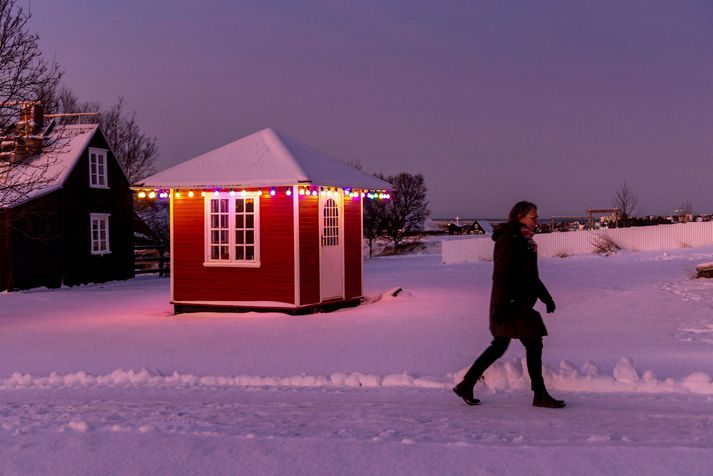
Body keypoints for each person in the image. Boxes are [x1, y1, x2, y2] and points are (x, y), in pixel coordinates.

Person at [453, 201, 566, 408]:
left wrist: (546, 297)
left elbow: (531, 276)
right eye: (533, 217)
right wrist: (501, 307)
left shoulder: (524, 241)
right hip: (510, 304)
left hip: (518, 303)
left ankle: (466, 385)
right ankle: (539, 394)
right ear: (519, 217)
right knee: (532, 343)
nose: (536, 221)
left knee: (501, 346)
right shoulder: (509, 240)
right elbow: (501, 275)